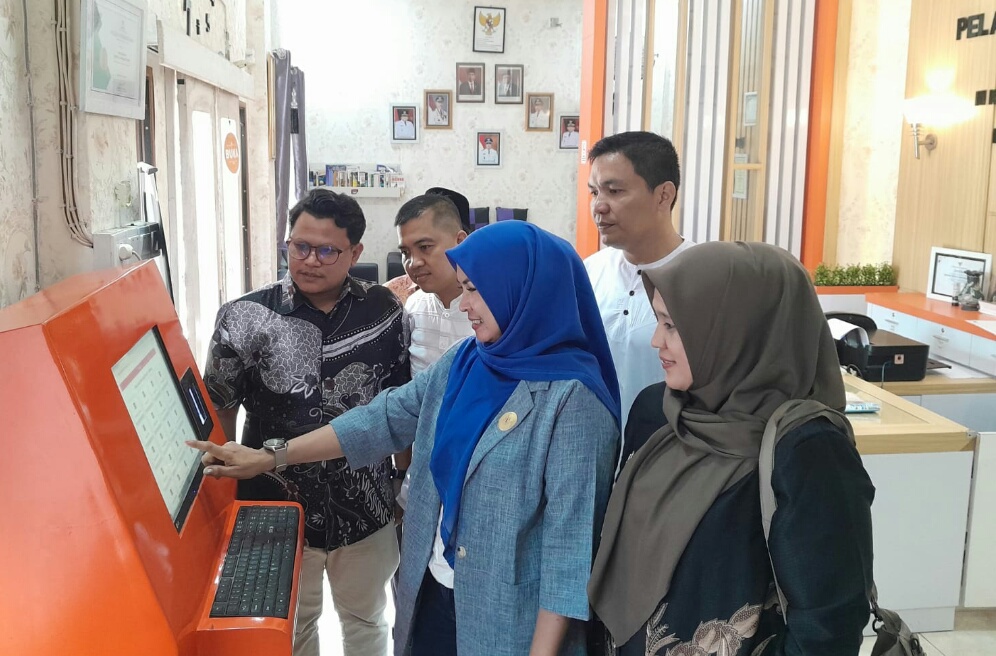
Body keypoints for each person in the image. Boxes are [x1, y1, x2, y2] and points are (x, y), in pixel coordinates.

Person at [191, 220, 621, 656]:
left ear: (523, 290)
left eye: (476, 290)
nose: (464, 305)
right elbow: (383, 418)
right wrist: (272, 458)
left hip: (509, 620)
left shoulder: (573, 399)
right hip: (433, 588)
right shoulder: (468, 360)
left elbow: (568, 553)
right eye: (464, 288)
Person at [587, 241, 875, 655]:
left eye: (672, 326)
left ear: (737, 333)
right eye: (659, 321)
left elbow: (828, 627)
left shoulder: (808, 450)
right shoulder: (659, 413)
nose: (655, 340)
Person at [202, 188, 410, 656]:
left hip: (367, 504)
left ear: (354, 252)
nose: (310, 260)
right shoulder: (245, 316)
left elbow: (398, 405)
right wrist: (224, 491)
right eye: (300, 246)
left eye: (327, 250)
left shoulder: (384, 311)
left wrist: (400, 478)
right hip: (273, 505)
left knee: (367, 621)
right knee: (290, 628)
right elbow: (220, 406)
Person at [584, 131, 695, 438]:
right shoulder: (587, 273)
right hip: (593, 447)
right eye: (594, 192)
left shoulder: (702, 278)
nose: (599, 206)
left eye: (614, 191)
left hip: (669, 448)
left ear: (663, 195)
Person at [396, 193, 474, 375]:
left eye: (424, 247)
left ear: (460, 242)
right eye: (405, 252)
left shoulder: (489, 309)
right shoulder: (413, 305)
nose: (413, 263)